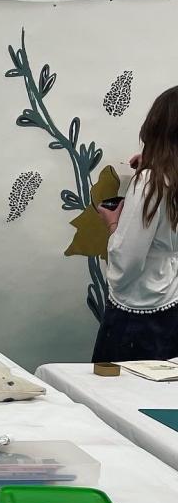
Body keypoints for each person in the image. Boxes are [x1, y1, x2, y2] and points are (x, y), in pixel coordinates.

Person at [92, 87, 178, 362]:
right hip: (172, 299)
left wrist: (113, 224)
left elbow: (127, 259)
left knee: (112, 384)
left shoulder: (151, 183)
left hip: (142, 311)